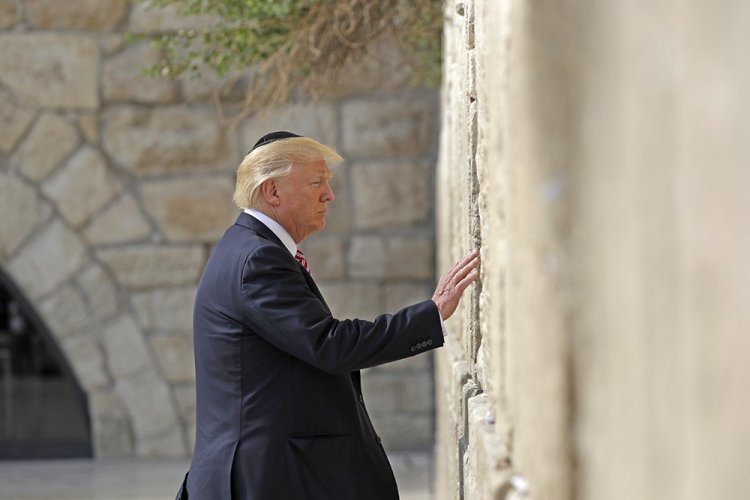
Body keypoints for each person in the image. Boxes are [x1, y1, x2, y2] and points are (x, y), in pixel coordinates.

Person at [176, 131, 479, 500]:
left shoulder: (251, 248)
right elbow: (328, 344)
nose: (329, 195)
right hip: (263, 479)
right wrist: (430, 315)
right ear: (272, 192)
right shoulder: (257, 258)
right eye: (316, 182)